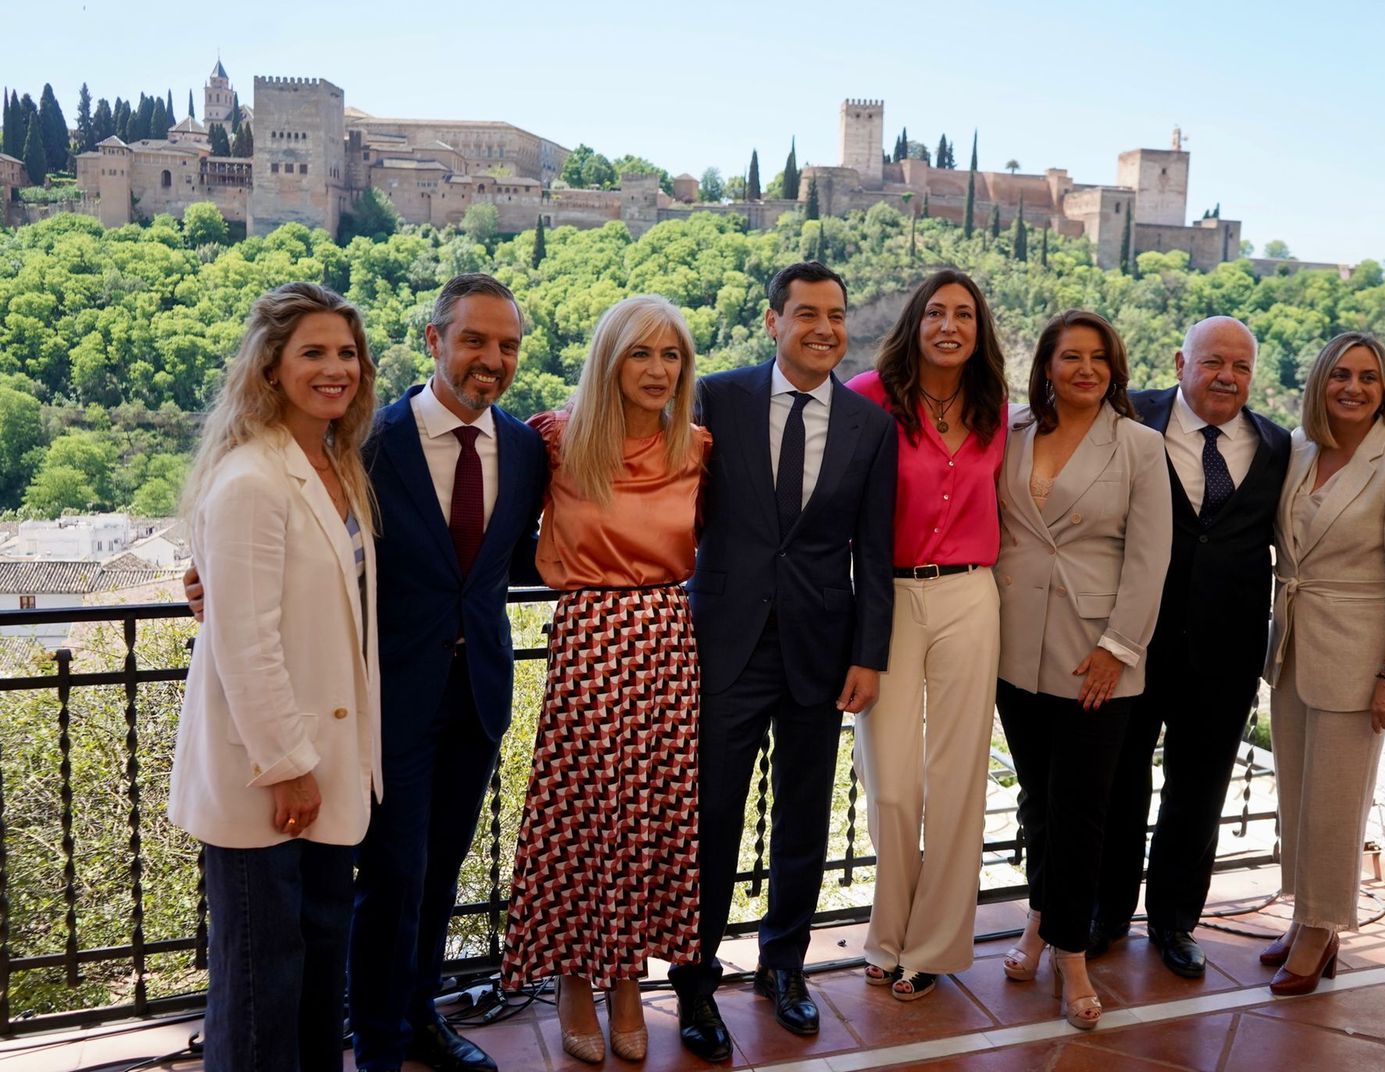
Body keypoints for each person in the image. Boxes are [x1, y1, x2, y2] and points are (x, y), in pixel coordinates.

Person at [185, 273, 548, 1072]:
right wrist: (207, 571)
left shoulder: (522, 447)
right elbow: (268, 565)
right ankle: (379, 1038)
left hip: (476, 696)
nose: (493, 358)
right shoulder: (365, 442)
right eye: (476, 340)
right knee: (388, 880)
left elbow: (521, 559)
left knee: (435, 875)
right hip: (383, 704)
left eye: (509, 345)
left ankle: (415, 1018)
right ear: (434, 341)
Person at [669, 262, 897, 1061]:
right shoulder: (716, 399)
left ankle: (784, 967)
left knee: (803, 818)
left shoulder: (871, 427)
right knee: (711, 821)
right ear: (773, 322)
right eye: (806, 314)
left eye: (836, 315)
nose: (824, 328)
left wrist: (870, 655)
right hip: (723, 644)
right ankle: (694, 983)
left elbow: (874, 552)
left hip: (820, 651)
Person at [168, 282, 381, 1071]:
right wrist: (289, 767)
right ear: (269, 369)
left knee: (319, 976)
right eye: (314, 353)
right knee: (262, 990)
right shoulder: (252, 480)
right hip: (270, 779)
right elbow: (243, 641)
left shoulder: (335, 463)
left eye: (347, 353)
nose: (336, 369)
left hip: (326, 772)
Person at [498, 295, 709, 1063]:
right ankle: (573, 980)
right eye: (641, 354)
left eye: (673, 355)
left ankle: (628, 980)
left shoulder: (697, 447)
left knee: (652, 820)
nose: (659, 370)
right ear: (610, 360)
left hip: (667, 643)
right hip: (589, 638)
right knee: (584, 815)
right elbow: (496, 534)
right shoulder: (555, 439)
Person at [1093, 316, 1291, 978]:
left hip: (1225, 652)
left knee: (1199, 792)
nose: (1227, 377)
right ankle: (1107, 913)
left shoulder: (1275, 445)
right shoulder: (1127, 417)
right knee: (1120, 784)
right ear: (1180, 361)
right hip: (1133, 641)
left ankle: (1176, 922)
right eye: (1213, 362)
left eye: (1240, 367)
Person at [993, 310, 1171, 1030]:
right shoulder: (1012, 432)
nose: (1086, 369)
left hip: (1095, 654)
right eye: (1072, 357)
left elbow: (1151, 557)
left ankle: (1069, 953)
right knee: (1037, 802)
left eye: (1100, 358)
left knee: (1082, 809)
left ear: (1115, 369)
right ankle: (1041, 919)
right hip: (1014, 649)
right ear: (1046, 366)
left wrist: (1118, 646)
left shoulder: (1140, 446)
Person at [1260, 331, 1385, 996]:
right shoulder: (1301, 451)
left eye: (1368, 377)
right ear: (1320, 383)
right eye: (1341, 375)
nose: (1353, 388)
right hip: (1293, 648)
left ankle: (1321, 931)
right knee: (1298, 798)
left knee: (1336, 805)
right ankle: (1307, 914)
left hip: (1359, 657)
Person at [844, 269, 1007, 1001]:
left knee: (959, 777)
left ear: (980, 330)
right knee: (893, 781)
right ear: (915, 321)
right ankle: (887, 933)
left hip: (973, 593)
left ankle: (935, 945)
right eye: (937, 312)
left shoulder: (997, 408)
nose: (950, 325)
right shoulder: (869, 399)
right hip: (888, 599)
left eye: (964, 314)